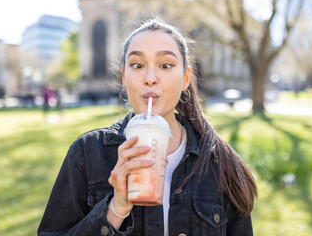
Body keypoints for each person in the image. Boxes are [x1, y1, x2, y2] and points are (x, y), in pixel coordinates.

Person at [38, 18, 257, 236]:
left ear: (185, 79)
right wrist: (115, 209)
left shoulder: (219, 162)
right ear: (124, 77)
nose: (150, 78)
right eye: (137, 65)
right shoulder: (86, 154)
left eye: (166, 65)